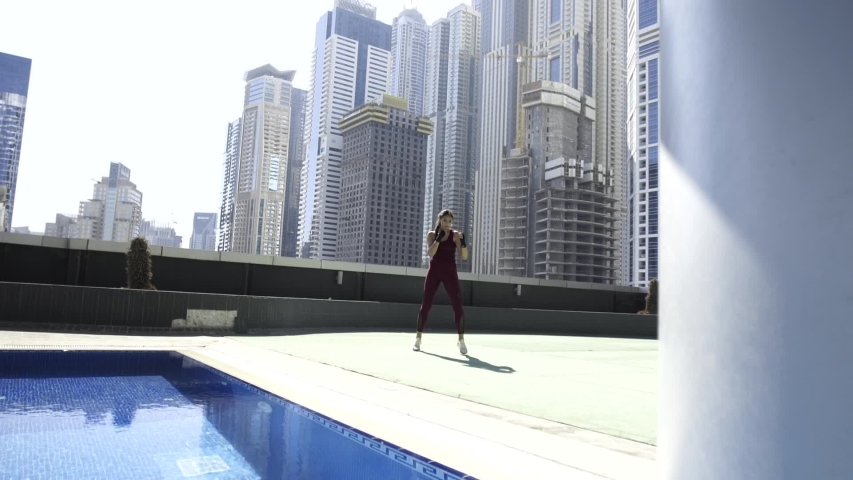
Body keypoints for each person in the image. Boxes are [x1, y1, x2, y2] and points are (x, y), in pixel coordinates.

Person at [414, 209, 469, 354]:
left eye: (450, 221)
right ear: (439, 220)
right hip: (434, 272)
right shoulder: (431, 234)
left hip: (450, 272)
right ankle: (418, 338)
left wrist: (463, 243)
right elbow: (430, 253)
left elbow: (464, 257)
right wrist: (439, 239)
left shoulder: (455, 235)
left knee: (457, 305)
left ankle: (461, 340)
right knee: (426, 304)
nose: (447, 224)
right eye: (445, 220)